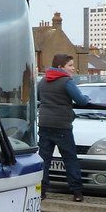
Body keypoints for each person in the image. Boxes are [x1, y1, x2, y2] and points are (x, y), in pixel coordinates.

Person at [37, 53, 90, 202]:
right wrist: (87, 98)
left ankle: (41, 191)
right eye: (70, 65)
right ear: (61, 67)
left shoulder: (43, 80)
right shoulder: (66, 81)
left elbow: (38, 97)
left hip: (44, 124)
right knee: (70, 158)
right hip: (62, 126)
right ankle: (77, 192)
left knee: (44, 159)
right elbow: (81, 101)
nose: (73, 68)